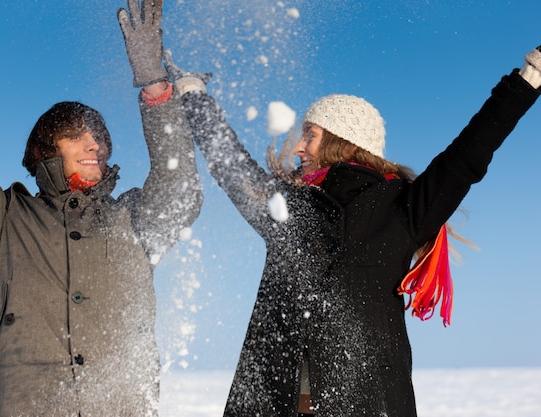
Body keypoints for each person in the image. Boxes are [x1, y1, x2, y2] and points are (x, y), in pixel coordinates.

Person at [162, 44, 541, 416]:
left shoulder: (402, 208)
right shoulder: (288, 207)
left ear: (342, 141)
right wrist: (194, 95)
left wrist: (529, 79)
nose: (298, 147)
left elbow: (469, 154)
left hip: (366, 399)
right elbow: (231, 167)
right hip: (277, 398)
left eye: (309, 134)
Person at [0, 1, 202, 416]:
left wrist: (155, 85)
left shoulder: (133, 220)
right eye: (76, 136)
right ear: (46, 151)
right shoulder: (6, 223)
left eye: (100, 138)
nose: (94, 145)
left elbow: (180, 186)